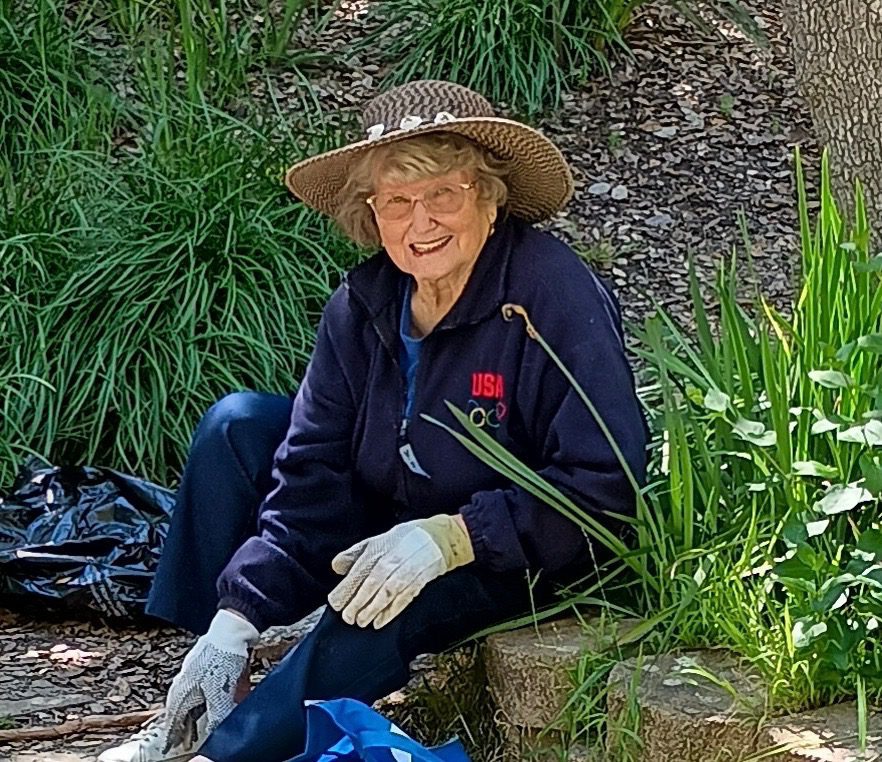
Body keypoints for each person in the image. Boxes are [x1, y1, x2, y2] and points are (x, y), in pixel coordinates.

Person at [98, 79, 648, 762]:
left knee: (377, 612)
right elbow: (310, 473)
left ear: (488, 195)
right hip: (394, 505)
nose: (422, 223)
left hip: (515, 550)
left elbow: (605, 482)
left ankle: (228, 751)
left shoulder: (550, 292)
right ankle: (211, 684)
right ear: (371, 214)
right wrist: (237, 619)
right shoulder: (364, 302)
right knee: (237, 428)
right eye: (397, 201)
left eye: (443, 193)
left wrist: (454, 538)